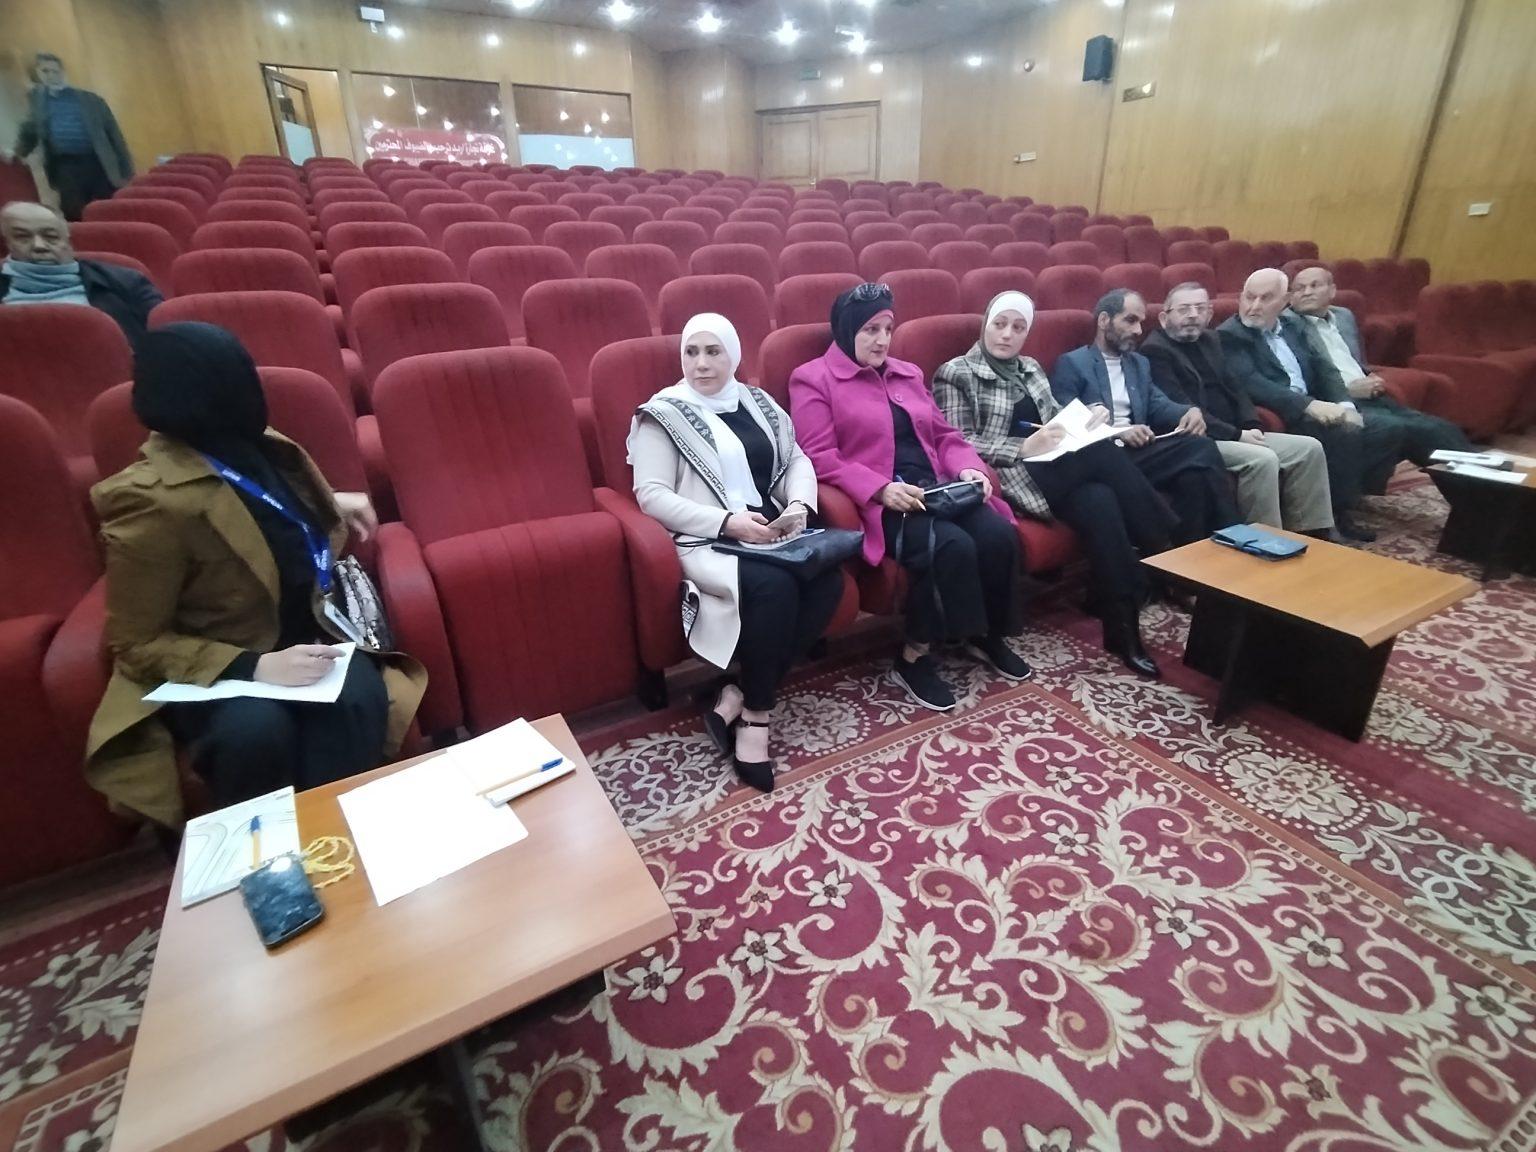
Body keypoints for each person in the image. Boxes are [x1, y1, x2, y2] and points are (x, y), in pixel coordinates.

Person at [84, 322, 426, 829]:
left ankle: (341, 842)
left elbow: (253, 514)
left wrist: (328, 503)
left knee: (357, 697)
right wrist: (254, 667)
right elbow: (136, 642)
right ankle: (266, 855)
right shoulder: (148, 499)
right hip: (219, 663)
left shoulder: (265, 447)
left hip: (308, 634)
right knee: (255, 730)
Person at [790, 282, 1029, 713]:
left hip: (938, 488)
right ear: (846, 330)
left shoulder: (907, 373)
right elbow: (818, 455)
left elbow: (944, 435)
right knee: (951, 547)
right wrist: (880, 489)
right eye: (870, 330)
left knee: (998, 536)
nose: (882, 340)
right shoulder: (813, 379)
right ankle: (913, 656)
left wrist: (969, 467)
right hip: (883, 500)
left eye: (888, 329)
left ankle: (985, 634)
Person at [629, 313, 842, 792]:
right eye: (691, 352)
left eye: (713, 352)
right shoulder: (662, 414)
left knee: (829, 580)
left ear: (734, 355)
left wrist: (799, 504)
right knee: (775, 588)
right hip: (710, 538)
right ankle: (755, 720)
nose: (701, 364)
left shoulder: (758, 402)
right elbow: (652, 496)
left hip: (770, 530)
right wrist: (727, 522)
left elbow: (796, 459)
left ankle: (737, 693)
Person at [933, 291, 1175, 677]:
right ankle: (1164, 543)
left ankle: (1123, 630)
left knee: (1100, 500)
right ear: (985, 325)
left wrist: (1088, 417)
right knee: (1103, 455)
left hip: (1057, 467)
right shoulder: (955, 372)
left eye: (1018, 328)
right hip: (1009, 473)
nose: (1007, 334)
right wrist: (1023, 446)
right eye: (1000, 324)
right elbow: (955, 440)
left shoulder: (1029, 367)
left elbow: (1055, 417)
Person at [1218, 269, 1404, 542]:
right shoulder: (1230, 335)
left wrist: (1345, 404)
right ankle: (1337, 514)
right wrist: (1310, 405)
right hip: (1283, 409)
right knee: (1343, 433)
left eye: (1265, 298)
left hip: (1314, 400)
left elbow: (1324, 368)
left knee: (1388, 429)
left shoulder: (1293, 326)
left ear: (1285, 301)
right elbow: (1252, 383)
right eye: (1249, 297)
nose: (1254, 306)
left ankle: (1349, 496)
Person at [1142, 281, 1338, 539]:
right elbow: (1182, 408)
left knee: (1308, 448)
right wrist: (1237, 435)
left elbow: (1236, 387)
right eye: (1184, 309)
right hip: (1200, 438)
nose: (1193, 315)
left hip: (1237, 432)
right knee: (1262, 460)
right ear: (1164, 317)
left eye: (1200, 309)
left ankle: (1313, 531)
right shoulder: (1155, 351)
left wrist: (1251, 424)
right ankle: (1265, 540)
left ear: (1209, 314)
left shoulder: (1211, 339)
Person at [1051, 290, 1241, 545]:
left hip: (1140, 451)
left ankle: (1187, 557)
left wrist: (1188, 411)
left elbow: (1157, 402)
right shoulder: (1073, 363)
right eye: (1130, 321)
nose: (1138, 330)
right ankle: (1234, 534)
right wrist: (1116, 430)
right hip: (1105, 456)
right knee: (1201, 450)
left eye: (1140, 322)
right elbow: (1063, 414)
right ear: (1104, 320)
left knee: (1194, 476)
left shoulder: (1138, 363)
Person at [1288, 264, 1472, 473]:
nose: (1307, 292)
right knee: (1415, 431)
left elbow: (1351, 360)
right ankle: (1471, 482)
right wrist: (1348, 391)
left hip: (1370, 394)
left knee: (1441, 427)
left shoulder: (1344, 316)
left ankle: (1483, 477)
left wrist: (1369, 376)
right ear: (1290, 297)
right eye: (1299, 288)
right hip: (1339, 399)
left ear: (1332, 291)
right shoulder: (1288, 325)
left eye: (1315, 285)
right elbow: (1302, 378)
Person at [0, 200, 161, 346]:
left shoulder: (126, 282)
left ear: (68, 240)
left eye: (51, 237)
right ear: (8, 243)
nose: (39, 246)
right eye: (22, 237)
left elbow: (164, 339)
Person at [5, 53, 134, 221]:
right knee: (74, 213)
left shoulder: (91, 100)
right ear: (38, 74)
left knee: (108, 209)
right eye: (45, 71)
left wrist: (126, 170)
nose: (51, 75)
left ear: (63, 73)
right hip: (65, 167)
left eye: (55, 71)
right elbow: (29, 131)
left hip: (97, 163)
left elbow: (114, 135)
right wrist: (16, 153)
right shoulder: (38, 102)